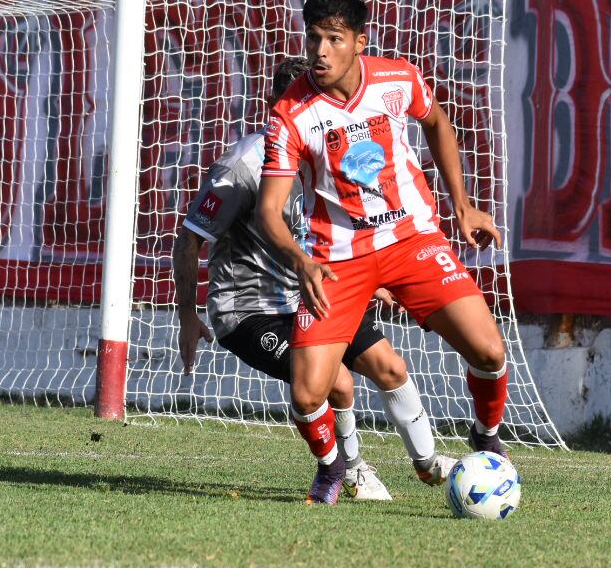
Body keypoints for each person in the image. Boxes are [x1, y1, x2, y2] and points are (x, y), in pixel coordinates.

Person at [259, 0, 511, 506]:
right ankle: (333, 470)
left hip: (411, 241)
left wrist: (461, 206)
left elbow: (438, 122)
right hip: (336, 261)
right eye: (313, 38)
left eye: (334, 39)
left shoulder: (398, 78)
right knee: (308, 394)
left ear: (359, 42)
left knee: (489, 351)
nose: (320, 52)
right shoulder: (290, 113)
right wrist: (301, 260)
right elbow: (269, 210)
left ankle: (486, 437)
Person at [173, 57, 459, 503]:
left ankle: (428, 464)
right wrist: (187, 314)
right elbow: (190, 239)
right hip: (249, 310)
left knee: (391, 367)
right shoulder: (243, 168)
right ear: (276, 107)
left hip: (318, 291)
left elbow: (330, 234)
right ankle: (350, 471)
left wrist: (377, 277)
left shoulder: (333, 153)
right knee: (338, 381)